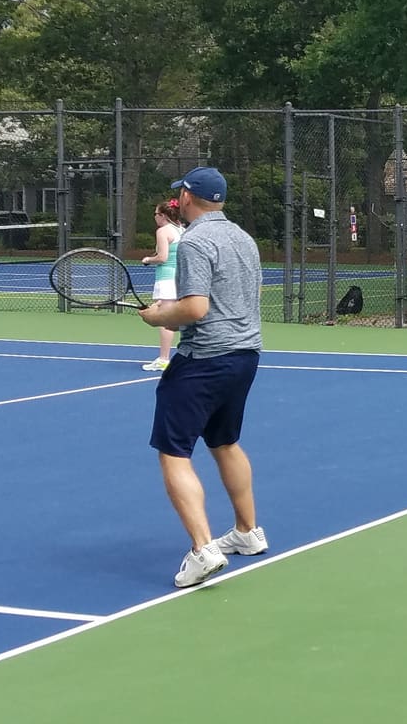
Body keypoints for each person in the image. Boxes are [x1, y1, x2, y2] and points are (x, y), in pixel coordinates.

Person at [138, 167, 268, 589]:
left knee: (174, 452)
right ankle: (247, 533)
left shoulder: (195, 241)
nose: (178, 201)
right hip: (245, 357)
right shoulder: (244, 239)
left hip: (204, 360)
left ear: (189, 197)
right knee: (224, 441)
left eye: (181, 195)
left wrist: (159, 315)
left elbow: (194, 309)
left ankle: (202, 550)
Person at [138, 199, 183, 370]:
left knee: (166, 320)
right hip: (179, 278)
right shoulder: (181, 230)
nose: (154, 217)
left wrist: (148, 259)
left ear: (163, 215)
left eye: (156, 214)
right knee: (174, 318)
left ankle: (164, 359)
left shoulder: (163, 231)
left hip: (167, 278)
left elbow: (162, 257)